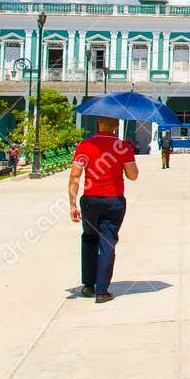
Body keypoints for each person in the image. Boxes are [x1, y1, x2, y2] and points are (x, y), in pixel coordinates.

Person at [68, 117, 138, 304]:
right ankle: (102, 291)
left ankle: (89, 285)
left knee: (89, 239)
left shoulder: (84, 145)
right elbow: (133, 176)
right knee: (107, 242)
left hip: (90, 201)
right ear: (116, 126)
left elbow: (75, 175)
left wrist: (72, 204)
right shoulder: (123, 147)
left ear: (98, 123)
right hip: (113, 201)